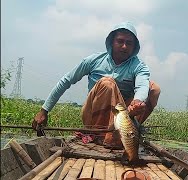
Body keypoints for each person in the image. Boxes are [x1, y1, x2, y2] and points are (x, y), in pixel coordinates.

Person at [32, 21, 161, 147]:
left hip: (123, 114)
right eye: (120, 41)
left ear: (134, 47)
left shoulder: (138, 66)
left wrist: (136, 103)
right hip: (94, 114)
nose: (124, 46)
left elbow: (142, 85)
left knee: (154, 89)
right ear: (112, 42)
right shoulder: (93, 60)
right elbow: (66, 81)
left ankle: (127, 132)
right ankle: (99, 135)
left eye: (129, 43)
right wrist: (44, 111)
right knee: (107, 83)